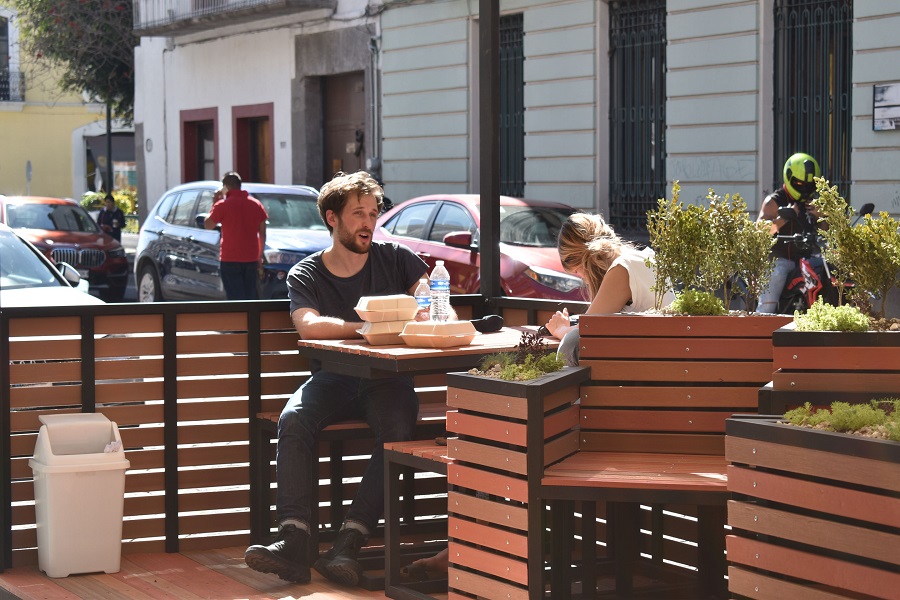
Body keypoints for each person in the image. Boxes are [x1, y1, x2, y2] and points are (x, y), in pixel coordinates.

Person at [243, 171, 430, 587]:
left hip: (388, 379)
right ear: (333, 218)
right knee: (294, 420)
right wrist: (367, 327)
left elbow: (431, 298)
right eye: (358, 214)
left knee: (398, 430)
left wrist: (428, 305)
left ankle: (349, 544)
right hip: (334, 377)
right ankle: (295, 541)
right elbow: (307, 325)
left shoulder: (396, 257)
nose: (369, 222)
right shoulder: (306, 273)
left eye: (373, 213)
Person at [544, 212, 675, 366]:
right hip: (663, 360)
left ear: (583, 260)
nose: (584, 280)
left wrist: (560, 329)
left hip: (652, 367)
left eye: (577, 271)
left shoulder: (622, 269)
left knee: (571, 343)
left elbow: (587, 332)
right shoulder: (644, 257)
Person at [755, 152, 825, 314]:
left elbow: (826, 232)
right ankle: (762, 318)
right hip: (780, 260)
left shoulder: (813, 203)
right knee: (776, 276)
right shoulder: (774, 201)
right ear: (789, 177)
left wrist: (822, 216)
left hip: (808, 259)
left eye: (809, 184)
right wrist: (784, 218)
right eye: (799, 183)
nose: (804, 188)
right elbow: (760, 232)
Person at [204, 172, 268, 300]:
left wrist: (215, 201)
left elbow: (208, 225)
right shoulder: (256, 205)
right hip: (251, 258)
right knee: (250, 298)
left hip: (230, 259)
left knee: (235, 299)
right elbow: (262, 233)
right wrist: (259, 257)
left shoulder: (222, 205)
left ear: (225, 187)